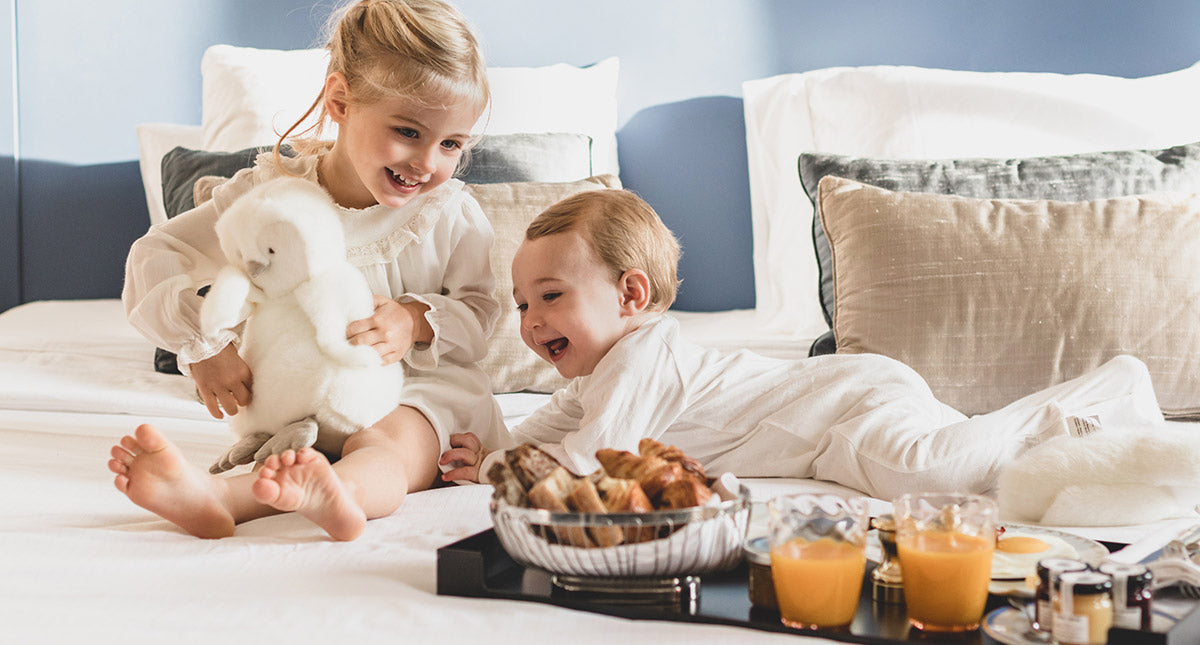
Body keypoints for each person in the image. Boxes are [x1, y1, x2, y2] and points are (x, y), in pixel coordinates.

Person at [439, 189, 1166, 500]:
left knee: (929, 477)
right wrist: (490, 450)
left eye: (552, 297)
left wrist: (498, 466)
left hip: (844, 407)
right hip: (834, 427)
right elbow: (538, 440)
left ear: (631, 295)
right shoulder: (589, 383)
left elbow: (592, 463)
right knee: (960, 454)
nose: (531, 322)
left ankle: (1107, 390)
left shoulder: (643, 353)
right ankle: (1084, 429)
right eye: (522, 305)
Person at [109, 0, 508, 541]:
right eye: (408, 132)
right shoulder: (269, 196)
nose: (427, 163)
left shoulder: (449, 213)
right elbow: (155, 255)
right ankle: (288, 483)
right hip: (301, 402)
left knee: (385, 444)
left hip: (420, 396)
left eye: (451, 144)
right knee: (289, 452)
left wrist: (415, 321)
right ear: (341, 100)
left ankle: (256, 497)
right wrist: (204, 348)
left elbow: (484, 312)